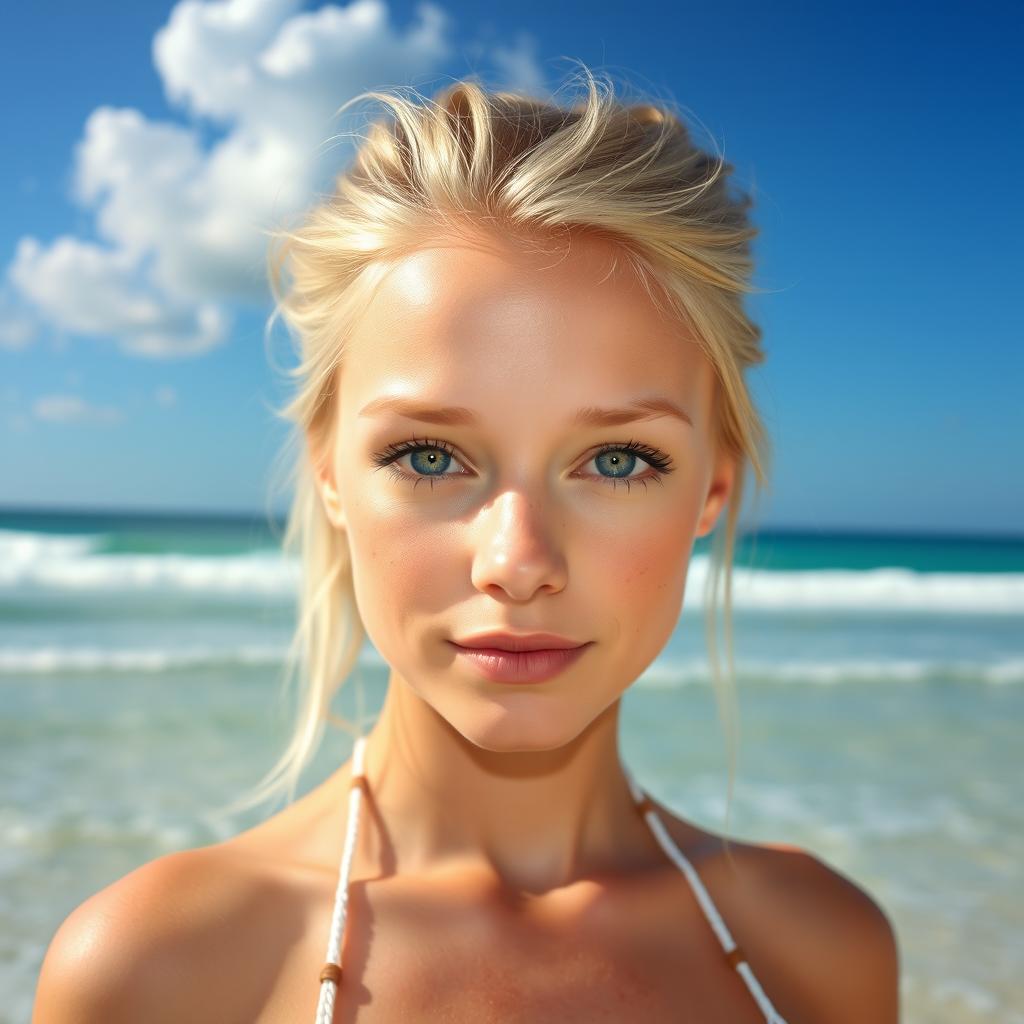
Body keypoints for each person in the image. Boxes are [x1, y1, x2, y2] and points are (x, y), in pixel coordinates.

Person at [32, 67, 899, 1022]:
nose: (517, 560)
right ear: (330, 473)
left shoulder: (822, 951)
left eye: (617, 461)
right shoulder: (157, 972)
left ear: (712, 491)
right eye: (430, 454)